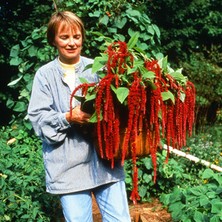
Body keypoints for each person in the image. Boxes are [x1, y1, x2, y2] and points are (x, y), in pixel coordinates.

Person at [27, 11, 131, 222]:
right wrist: (67, 117)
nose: (72, 43)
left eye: (77, 36)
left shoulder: (99, 69)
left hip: (105, 163)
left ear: (83, 37)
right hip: (68, 167)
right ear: (53, 40)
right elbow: (38, 118)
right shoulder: (45, 75)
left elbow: (121, 106)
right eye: (64, 37)